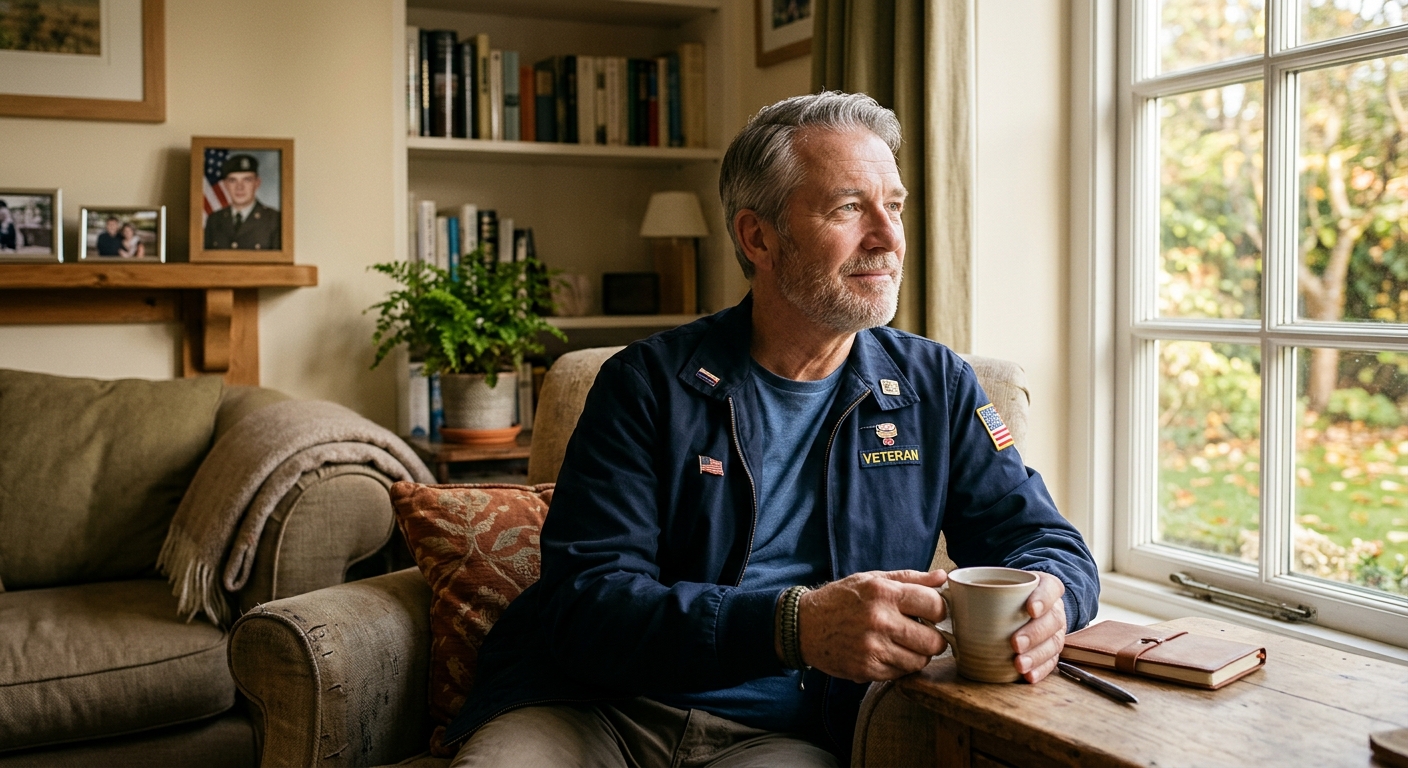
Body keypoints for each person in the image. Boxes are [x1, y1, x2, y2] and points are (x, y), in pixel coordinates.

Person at [444, 92, 1100, 767]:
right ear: (758, 237)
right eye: (849, 208)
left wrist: (1052, 597)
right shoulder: (645, 384)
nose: (888, 236)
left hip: (784, 737)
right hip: (590, 708)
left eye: (894, 206)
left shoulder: (936, 387)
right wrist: (795, 626)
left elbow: (1044, 540)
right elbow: (587, 606)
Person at [204, 153, 281, 250]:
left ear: (257, 183)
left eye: (247, 180)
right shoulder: (214, 220)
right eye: (233, 180)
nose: (239, 187)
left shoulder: (274, 220)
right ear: (226, 185)